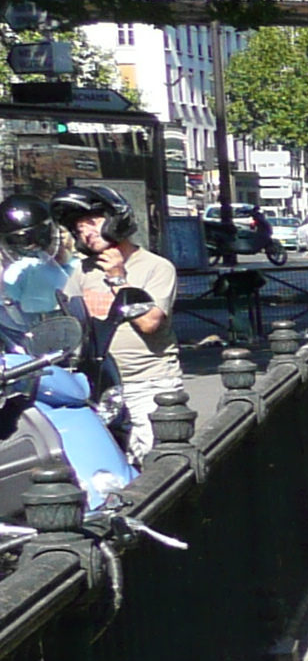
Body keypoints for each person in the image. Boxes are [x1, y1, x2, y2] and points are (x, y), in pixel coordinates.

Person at [56, 188, 178, 458]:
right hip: (99, 385)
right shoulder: (83, 270)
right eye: (78, 227)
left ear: (116, 219)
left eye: (92, 222)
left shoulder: (155, 267)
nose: (85, 232)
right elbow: (66, 321)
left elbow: (149, 323)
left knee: (155, 465)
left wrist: (117, 277)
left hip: (147, 385)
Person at [0, 194, 70, 351]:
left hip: (67, 342)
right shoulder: (13, 274)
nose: (33, 246)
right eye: (21, 240)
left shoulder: (74, 268)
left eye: (39, 237)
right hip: (22, 347)